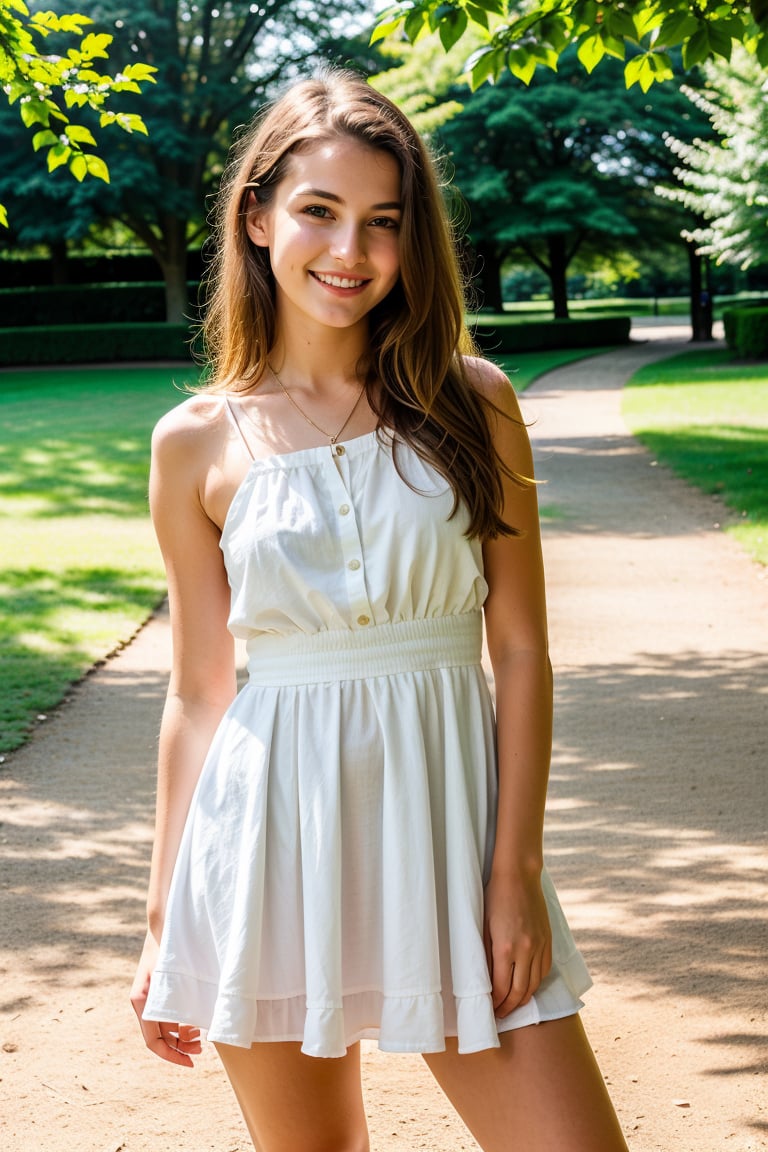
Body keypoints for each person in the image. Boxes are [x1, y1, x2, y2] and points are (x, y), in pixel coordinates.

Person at [130, 68, 629, 1152]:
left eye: (383, 222)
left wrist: (514, 874)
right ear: (258, 217)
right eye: (318, 211)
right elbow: (200, 693)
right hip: (266, 844)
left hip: (453, 832)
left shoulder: (473, 402)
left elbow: (524, 649)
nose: (349, 250)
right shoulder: (195, 444)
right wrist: (167, 914)